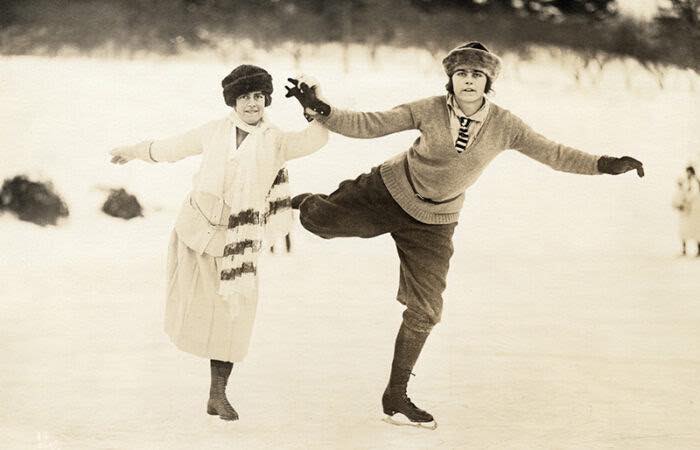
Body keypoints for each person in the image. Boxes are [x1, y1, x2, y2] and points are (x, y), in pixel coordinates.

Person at [286, 42, 644, 429]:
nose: (469, 80)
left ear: (488, 81)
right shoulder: (428, 109)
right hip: (388, 191)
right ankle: (308, 202)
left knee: (427, 310)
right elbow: (372, 123)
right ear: (451, 79)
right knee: (319, 223)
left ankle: (396, 394)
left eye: (477, 74)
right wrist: (324, 110)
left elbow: (552, 152)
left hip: (435, 220)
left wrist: (604, 165)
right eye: (462, 74)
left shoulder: (506, 125)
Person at [109, 64, 328, 421]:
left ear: (266, 100)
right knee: (191, 306)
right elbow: (169, 148)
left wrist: (314, 106)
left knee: (233, 315)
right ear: (233, 101)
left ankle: (217, 394)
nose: (252, 104)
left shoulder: (275, 140)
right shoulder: (213, 132)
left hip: (238, 239)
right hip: (195, 229)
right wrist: (132, 151)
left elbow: (315, 139)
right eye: (244, 97)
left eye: (258, 96)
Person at [672, 165, 700, 256]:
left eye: (689, 172)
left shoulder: (695, 182)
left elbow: (694, 195)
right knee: (684, 230)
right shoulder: (686, 182)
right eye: (687, 172)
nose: (688, 174)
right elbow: (682, 194)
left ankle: (699, 250)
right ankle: (684, 250)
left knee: (696, 230)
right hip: (687, 212)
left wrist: (686, 201)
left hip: (695, 211)